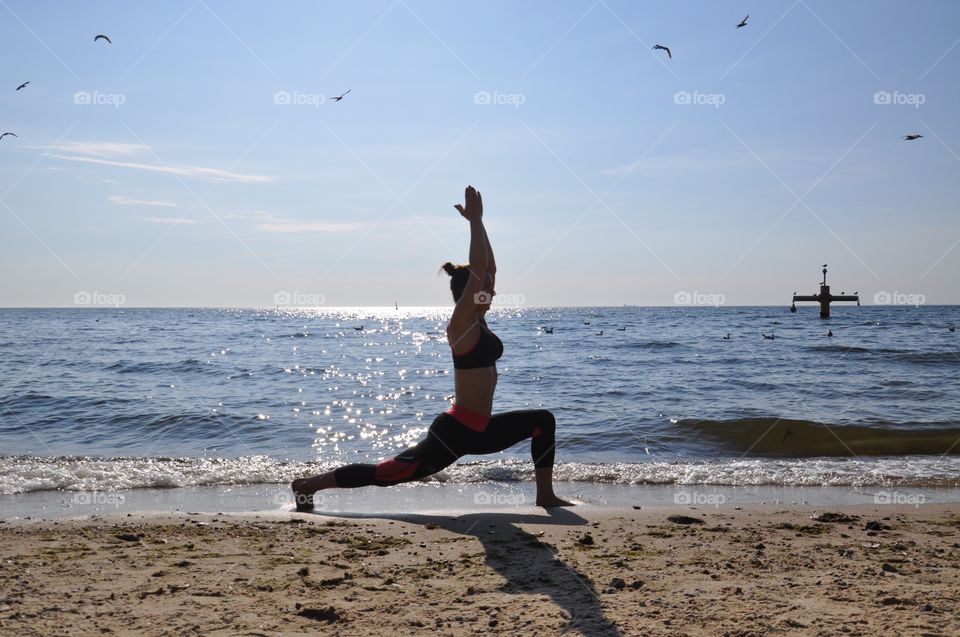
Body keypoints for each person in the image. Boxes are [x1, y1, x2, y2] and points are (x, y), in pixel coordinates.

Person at [291, 186, 572, 511]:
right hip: (455, 432)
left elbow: (488, 271)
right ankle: (307, 485)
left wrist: (481, 224)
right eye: (484, 289)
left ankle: (545, 496)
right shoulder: (462, 324)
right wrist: (474, 222)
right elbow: (482, 271)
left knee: (543, 421)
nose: (492, 291)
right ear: (470, 293)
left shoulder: (479, 318)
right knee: (389, 473)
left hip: (481, 430)